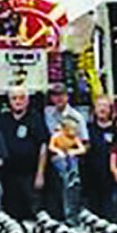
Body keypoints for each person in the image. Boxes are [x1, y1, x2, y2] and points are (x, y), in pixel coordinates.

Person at [0, 85, 47, 220]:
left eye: (22, 98)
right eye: (14, 98)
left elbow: (43, 146)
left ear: (28, 100)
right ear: (9, 101)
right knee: (12, 215)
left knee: (35, 213)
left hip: (30, 174)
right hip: (8, 176)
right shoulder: (2, 119)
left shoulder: (35, 117)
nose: (18, 101)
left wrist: (40, 174)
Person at [43, 82, 88, 220]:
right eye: (55, 96)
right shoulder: (48, 113)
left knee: (70, 190)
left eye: (62, 95)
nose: (59, 99)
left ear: (67, 96)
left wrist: (71, 153)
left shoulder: (76, 117)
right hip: (51, 157)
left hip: (70, 159)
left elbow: (86, 144)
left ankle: (71, 220)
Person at [84, 96, 117, 220]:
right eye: (99, 106)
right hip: (91, 181)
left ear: (110, 109)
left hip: (113, 181)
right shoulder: (86, 129)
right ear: (94, 109)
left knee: (112, 216)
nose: (102, 109)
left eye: (105, 106)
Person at [49, 116, 88, 219]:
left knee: (73, 160)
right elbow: (51, 147)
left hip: (70, 158)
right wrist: (59, 151)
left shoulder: (74, 138)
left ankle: (74, 177)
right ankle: (66, 176)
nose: (74, 132)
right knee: (60, 161)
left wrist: (73, 151)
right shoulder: (57, 136)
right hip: (59, 159)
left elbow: (82, 149)